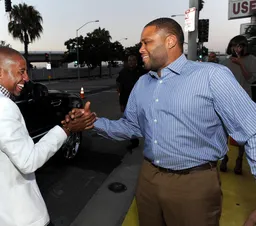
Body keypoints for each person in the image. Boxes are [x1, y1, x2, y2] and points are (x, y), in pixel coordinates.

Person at [63, 18, 256, 226]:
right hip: (148, 178)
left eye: (147, 42)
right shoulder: (143, 83)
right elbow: (130, 126)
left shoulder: (212, 76)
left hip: (193, 183)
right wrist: (92, 123)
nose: (140, 49)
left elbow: (252, 130)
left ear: (170, 41)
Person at [0, 47, 95, 226]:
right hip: (10, 217)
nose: (26, 78)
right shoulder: (1, 106)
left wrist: (65, 126)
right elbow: (29, 161)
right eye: (21, 72)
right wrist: (67, 129)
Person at [220, 35, 256, 175]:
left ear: (245, 47)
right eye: (235, 45)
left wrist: (241, 63)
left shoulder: (252, 60)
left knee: (243, 131)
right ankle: (224, 157)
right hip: (226, 100)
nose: (237, 49)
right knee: (222, 130)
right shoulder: (224, 62)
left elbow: (251, 78)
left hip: (244, 100)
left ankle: (240, 159)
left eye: (240, 46)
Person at [116, 54, 147, 149]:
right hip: (126, 101)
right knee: (129, 121)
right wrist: (121, 103)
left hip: (140, 101)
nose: (131, 62)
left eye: (133, 60)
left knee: (143, 120)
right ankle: (134, 140)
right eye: (129, 60)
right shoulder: (123, 72)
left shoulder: (142, 71)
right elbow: (119, 87)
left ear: (136, 61)